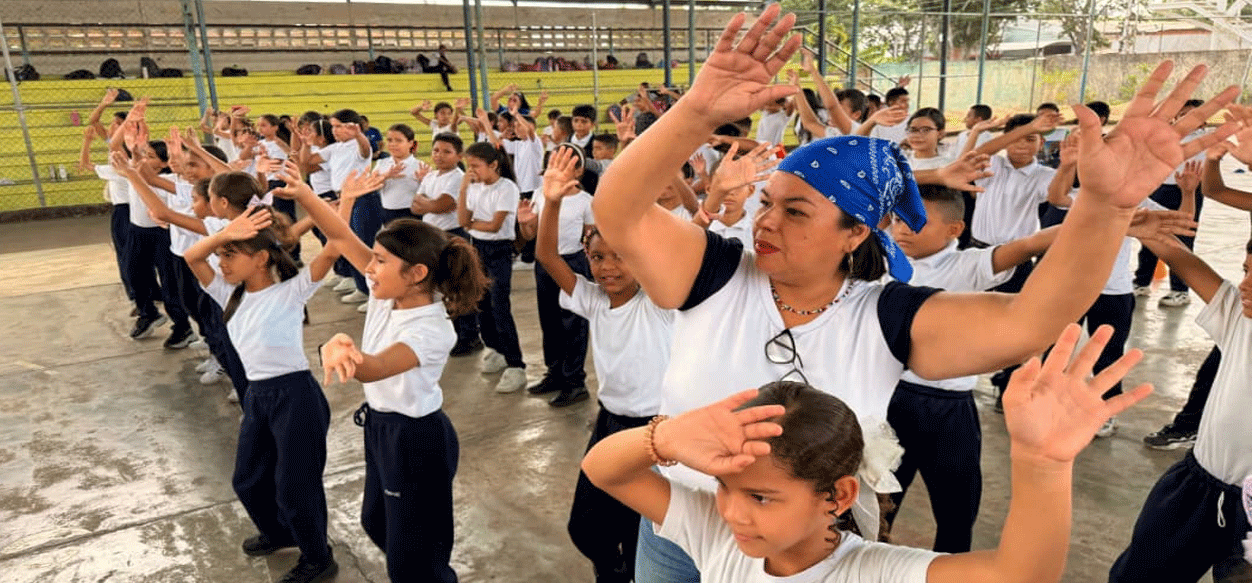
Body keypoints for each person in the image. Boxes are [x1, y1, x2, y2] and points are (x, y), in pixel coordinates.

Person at [591, 6, 1239, 580]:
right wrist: (697, 111)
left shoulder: (885, 314)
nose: (764, 221)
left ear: (853, 233)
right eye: (768, 203)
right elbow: (619, 209)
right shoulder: (716, 273)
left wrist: (1103, 203)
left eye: (797, 212)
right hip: (685, 517)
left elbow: (1031, 319)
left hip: (812, 536)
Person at [583, 323, 1150, 583]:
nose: (731, 509)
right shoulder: (719, 537)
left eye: (760, 496)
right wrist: (666, 437)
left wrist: (1045, 464)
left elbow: (1020, 575)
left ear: (838, 496)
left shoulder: (872, 570)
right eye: (726, 486)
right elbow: (602, 469)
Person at [277, 165, 487, 583]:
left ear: (417, 274)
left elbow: (374, 369)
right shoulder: (386, 295)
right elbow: (340, 236)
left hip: (415, 439)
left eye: (380, 261)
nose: (369, 268)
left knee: (412, 558)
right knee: (377, 523)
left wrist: (341, 343)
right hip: (381, 428)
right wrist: (306, 195)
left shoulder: (430, 328)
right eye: (372, 258)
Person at [534, 147, 676, 582]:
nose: (608, 267)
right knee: (588, 527)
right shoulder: (594, 301)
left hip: (655, 430)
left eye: (620, 256)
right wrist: (552, 202)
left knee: (641, 535)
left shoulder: (658, 303)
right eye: (597, 258)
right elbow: (547, 257)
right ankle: (612, 573)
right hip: (610, 423)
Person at [183, 200, 340, 583]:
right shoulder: (228, 294)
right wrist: (226, 233)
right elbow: (192, 256)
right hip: (259, 397)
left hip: (296, 397)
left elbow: (335, 244)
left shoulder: (291, 291)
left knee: (295, 486)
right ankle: (280, 533)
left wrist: (337, 202)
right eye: (221, 255)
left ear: (261, 258)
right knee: (248, 479)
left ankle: (318, 557)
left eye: (231, 255)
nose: (222, 262)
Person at [1110, 206, 1252, 583]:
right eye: (1247, 271)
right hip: (1199, 484)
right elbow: (1183, 261)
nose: (1245, 286)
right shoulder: (1241, 316)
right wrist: (1145, 229)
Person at [517, 144, 597, 406]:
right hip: (545, 263)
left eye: (565, 164)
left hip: (573, 263)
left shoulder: (586, 202)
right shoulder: (542, 194)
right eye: (553, 163)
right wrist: (525, 223)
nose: (557, 169)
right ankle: (555, 372)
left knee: (573, 325)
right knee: (549, 321)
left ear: (579, 170)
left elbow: (591, 240)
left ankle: (575, 381)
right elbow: (532, 236)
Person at [457, 141, 528, 394]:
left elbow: (495, 225)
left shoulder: (507, 187)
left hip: (499, 250)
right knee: (481, 303)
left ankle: (515, 364)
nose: (471, 171)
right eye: (468, 166)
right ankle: (495, 349)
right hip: (477, 249)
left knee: (499, 305)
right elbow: (463, 221)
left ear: (493, 165)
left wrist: (473, 223)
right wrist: (465, 188)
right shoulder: (474, 188)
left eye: (475, 166)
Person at [1133, 98, 1209, 307]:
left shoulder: (1208, 139)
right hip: (1161, 188)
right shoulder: (1165, 137)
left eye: (1194, 115)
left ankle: (1180, 290)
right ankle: (1141, 282)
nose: (1186, 119)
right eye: (1183, 114)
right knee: (1150, 234)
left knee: (1183, 237)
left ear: (1203, 121)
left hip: (1191, 190)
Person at [412, 132, 483, 356]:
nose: (439, 156)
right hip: (432, 235)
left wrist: (428, 204)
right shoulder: (431, 177)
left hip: (451, 235)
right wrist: (428, 204)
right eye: (436, 150)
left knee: (458, 286)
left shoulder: (457, 177)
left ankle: (469, 335)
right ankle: (451, 332)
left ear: (458, 155)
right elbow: (415, 206)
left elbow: (445, 205)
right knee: (440, 287)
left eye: (446, 152)